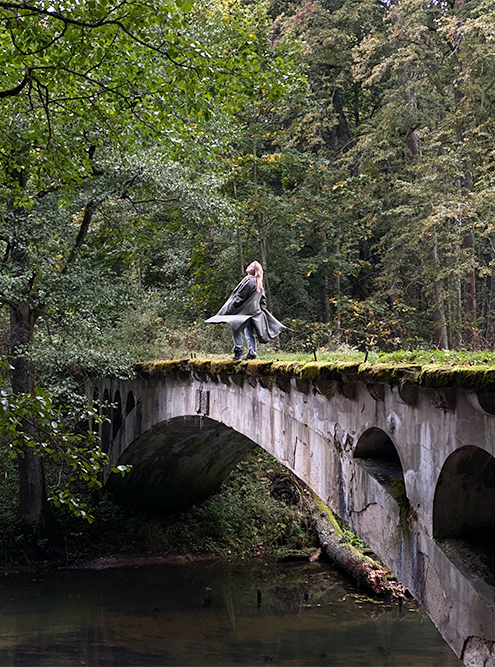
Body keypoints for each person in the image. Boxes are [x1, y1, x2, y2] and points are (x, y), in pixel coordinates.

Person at [205, 261, 286, 360]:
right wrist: (260, 311)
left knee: (236, 329)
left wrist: (230, 309)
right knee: (249, 332)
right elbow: (263, 301)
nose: (249, 266)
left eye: (252, 266)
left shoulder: (249, 280)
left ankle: (238, 350)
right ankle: (252, 353)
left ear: (255, 271)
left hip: (245, 313)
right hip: (254, 313)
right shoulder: (259, 283)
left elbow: (239, 297)